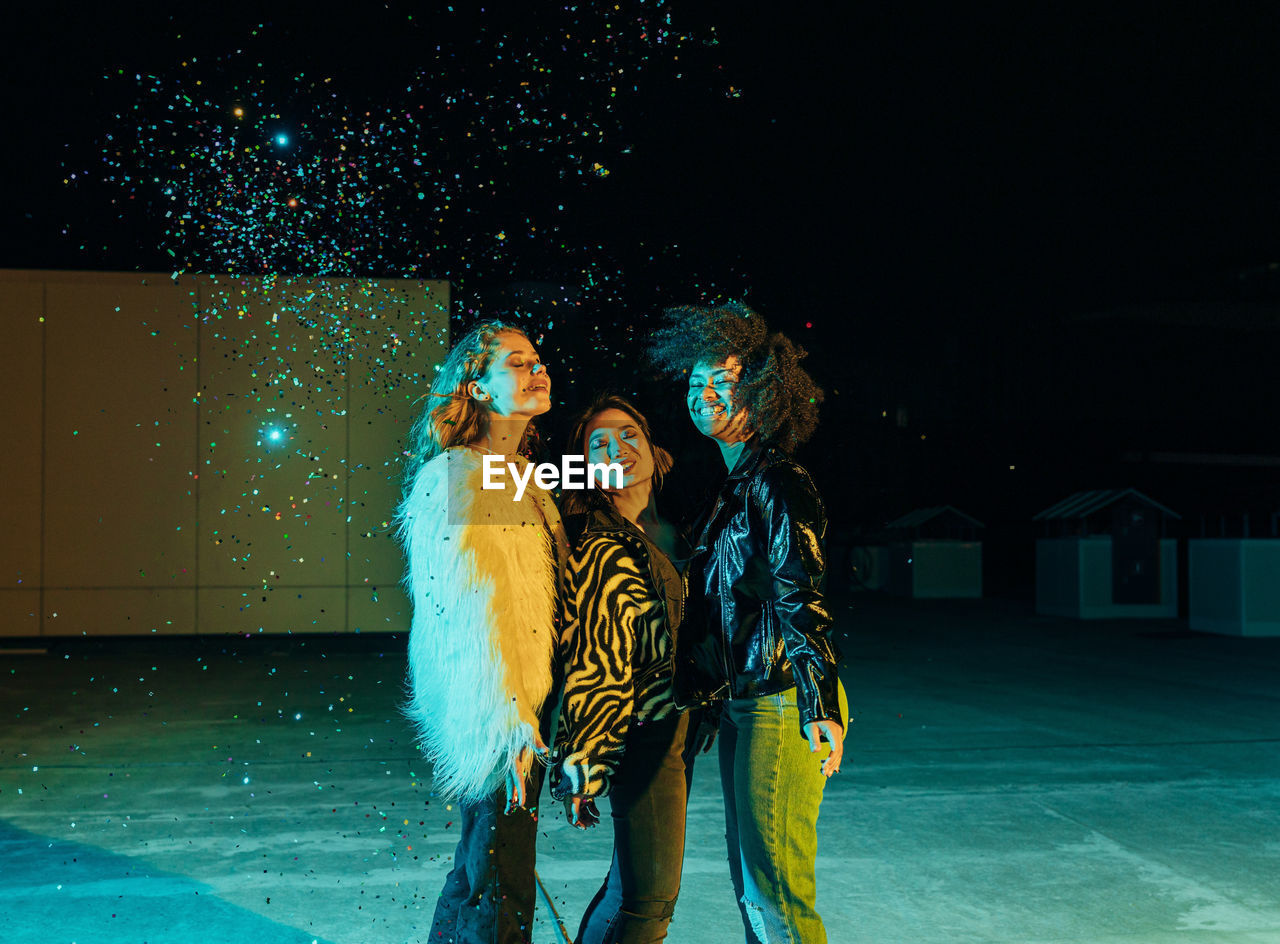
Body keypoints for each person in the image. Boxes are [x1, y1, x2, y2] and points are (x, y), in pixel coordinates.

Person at [648, 302, 848, 944]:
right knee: (753, 884)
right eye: (693, 384)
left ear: (763, 392)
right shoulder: (735, 486)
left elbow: (801, 596)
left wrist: (819, 702)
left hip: (782, 700)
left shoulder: (779, 483)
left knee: (776, 891)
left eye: (722, 382)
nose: (702, 395)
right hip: (747, 702)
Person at [395, 320, 567, 944]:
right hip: (497, 714)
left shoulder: (521, 477)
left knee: (485, 868)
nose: (537, 369)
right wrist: (508, 718)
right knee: (500, 878)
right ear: (477, 386)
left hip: (524, 706)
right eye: (517, 363)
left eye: (538, 359)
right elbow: (463, 615)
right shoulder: (457, 476)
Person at [552, 394, 688, 943]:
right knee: (646, 902)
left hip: (675, 729)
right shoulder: (598, 546)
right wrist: (584, 766)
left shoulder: (669, 531)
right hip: (642, 735)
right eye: (599, 442)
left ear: (653, 448)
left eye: (628, 433)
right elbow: (594, 661)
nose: (618, 447)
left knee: (629, 890)